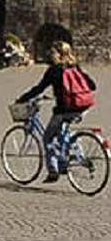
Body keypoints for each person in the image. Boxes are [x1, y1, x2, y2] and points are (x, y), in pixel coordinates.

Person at [16, 40, 97, 184]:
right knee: (63, 133)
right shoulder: (75, 67)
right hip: (82, 106)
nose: (50, 55)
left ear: (59, 54)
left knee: (47, 138)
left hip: (64, 110)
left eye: (53, 52)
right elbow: (92, 85)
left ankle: (53, 171)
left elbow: (39, 88)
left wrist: (22, 99)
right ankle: (70, 156)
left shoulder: (54, 70)